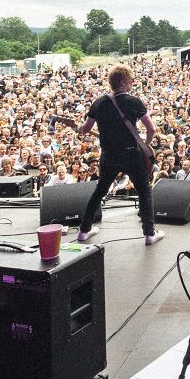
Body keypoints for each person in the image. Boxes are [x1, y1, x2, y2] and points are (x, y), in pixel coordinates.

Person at [74, 64, 162, 245]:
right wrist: (145, 143)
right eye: (130, 80)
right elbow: (151, 128)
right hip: (131, 154)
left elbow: (85, 129)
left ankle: (84, 231)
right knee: (144, 191)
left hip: (108, 156)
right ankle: (149, 233)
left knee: (100, 191)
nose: (132, 83)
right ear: (123, 82)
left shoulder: (98, 103)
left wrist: (78, 128)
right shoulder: (134, 102)